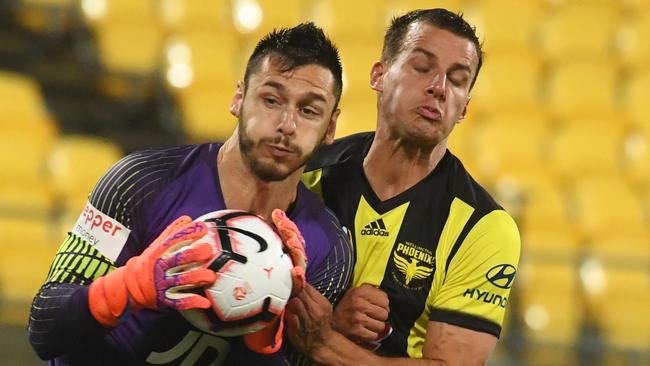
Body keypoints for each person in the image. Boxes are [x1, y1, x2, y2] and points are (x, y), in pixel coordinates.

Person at [28, 22, 353, 365]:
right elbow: (45, 328)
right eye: (271, 100)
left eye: (308, 110)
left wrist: (264, 340)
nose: (287, 124)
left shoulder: (327, 251)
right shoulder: (140, 182)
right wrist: (130, 286)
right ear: (239, 98)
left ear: (330, 126)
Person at [291, 9, 521, 364]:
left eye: (457, 80)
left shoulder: (483, 227)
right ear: (379, 75)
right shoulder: (306, 173)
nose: (439, 87)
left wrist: (325, 344)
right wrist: (335, 317)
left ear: (464, 109)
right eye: (422, 66)